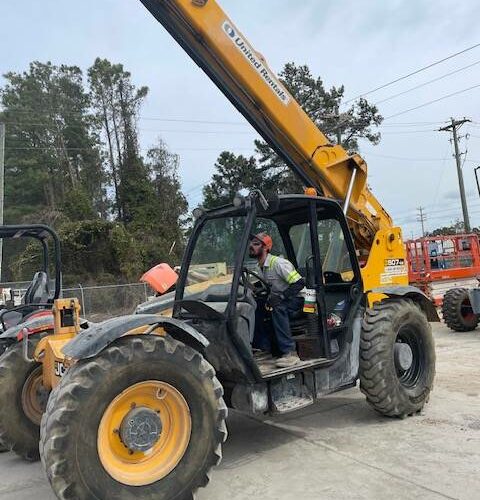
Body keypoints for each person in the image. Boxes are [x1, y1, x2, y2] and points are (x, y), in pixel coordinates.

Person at [249, 232, 305, 368]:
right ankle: (263, 348)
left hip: (298, 299)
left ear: (266, 248)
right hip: (281, 298)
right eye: (251, 243)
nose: (251, 246)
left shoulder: (279, 263)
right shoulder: (259, 267)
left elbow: (299, 283)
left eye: (256, 244)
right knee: (254, 306)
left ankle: (290, 353)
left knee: (277, 307)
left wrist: (281, 297)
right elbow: (263, 285)